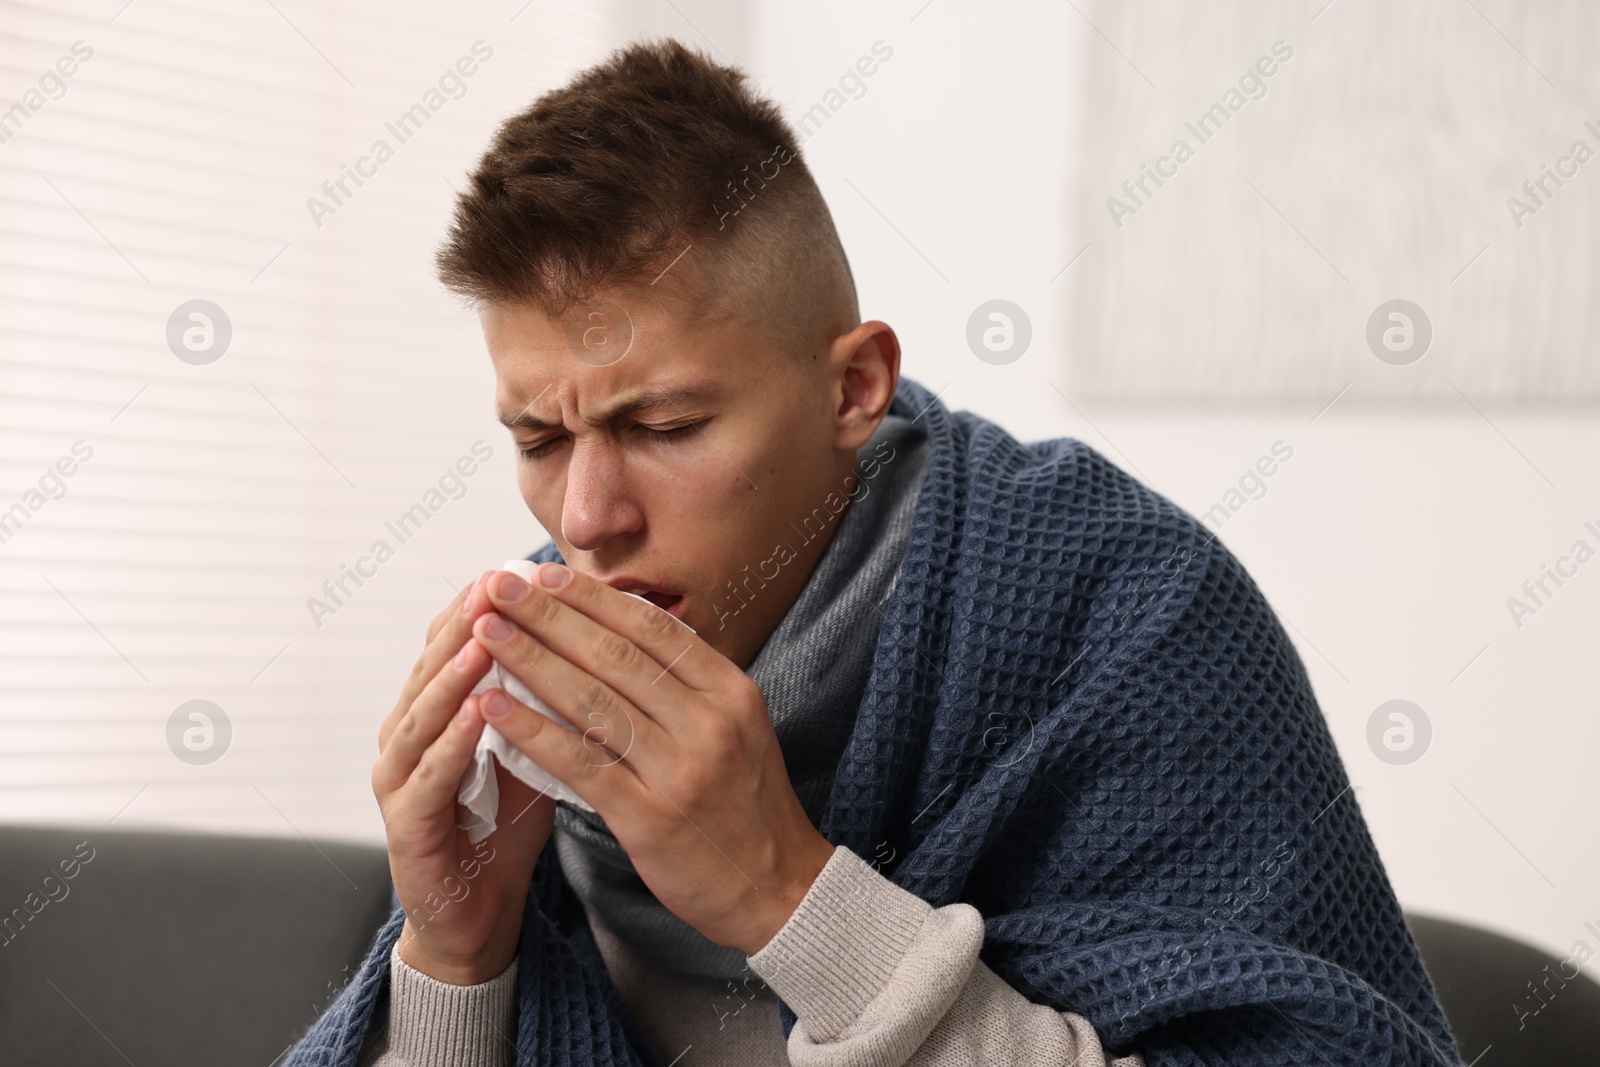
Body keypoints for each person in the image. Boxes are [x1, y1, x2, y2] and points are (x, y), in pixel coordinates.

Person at [285, 39, 1461, 1067]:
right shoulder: (534, 697)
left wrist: (785, 896)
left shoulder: (1137, 611)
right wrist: (453, 953)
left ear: (853, 388)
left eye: (665, 427)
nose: (585, 517)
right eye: (538, 436)